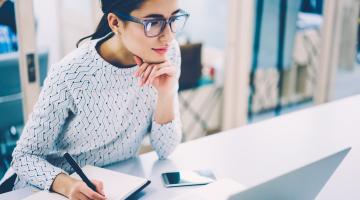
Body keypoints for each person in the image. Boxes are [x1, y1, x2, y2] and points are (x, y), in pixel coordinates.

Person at [10, 0, 189, 199]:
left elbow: (166, 149)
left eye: (173, 19)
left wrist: (167, 93)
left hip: (117, 187)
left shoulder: (167, 54)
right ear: (115, 23)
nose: (168, 36)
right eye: (153, 23)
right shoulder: (71, 74)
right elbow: (23, 157)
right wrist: (68, 185)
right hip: (50, 190)